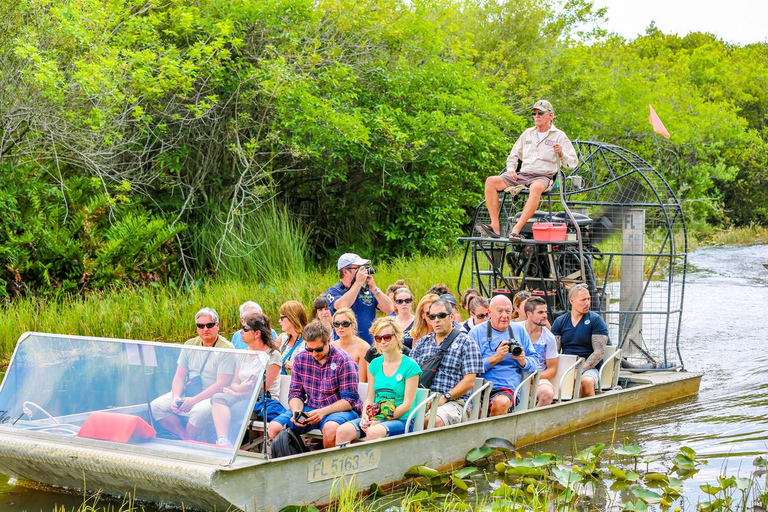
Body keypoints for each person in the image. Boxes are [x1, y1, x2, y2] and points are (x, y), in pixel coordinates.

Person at [480, 100, 578, 241]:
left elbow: (573, 163)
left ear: (551, 115)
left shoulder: (559, 135)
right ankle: (495, 226)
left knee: (536, 187)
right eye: (534, 113)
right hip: (523, 175)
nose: (537, 116)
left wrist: (562, 153)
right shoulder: (527, 133)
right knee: (491, 181)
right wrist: (511, 169)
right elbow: (513, 155)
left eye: (540, 113)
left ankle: (516, 230)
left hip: (543, 176)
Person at [268, 320, 360, 448]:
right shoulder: (301, 359)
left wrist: (322, 412)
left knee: (330, 428)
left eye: (318, 349)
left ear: (328, 341)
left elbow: (349, 400)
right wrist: (297, 412)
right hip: (311, 408)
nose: (314, 354)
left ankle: (327, 465)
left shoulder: (344, 360)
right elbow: (295, 393)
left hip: (338, 410)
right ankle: (296, 460)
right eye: (309, 349)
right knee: (274, 428)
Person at [150, 308, 235, 440]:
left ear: (217, 326)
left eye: (209, 325)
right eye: (201, 326)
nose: (205, 329)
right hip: (191, 389)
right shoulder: (190, 344)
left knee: (197, 411)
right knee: (156, 406)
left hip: (214, 395)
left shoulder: (226, 348)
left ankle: (189, 441)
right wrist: (176, 397)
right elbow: (179, 376)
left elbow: (221, 384)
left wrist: (194, 400)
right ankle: (185, 437)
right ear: (197, 328)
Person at [336, 317, 421, 444]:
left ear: (397, 337)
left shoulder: (410, 366)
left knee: (373, 432)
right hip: (377, 414)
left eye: (387, 337)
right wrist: (365, 416)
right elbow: (370, 397)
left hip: (401, 420)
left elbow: (407, 404)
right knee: (343, 431)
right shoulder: (375, 364)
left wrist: (381, 420)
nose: (382, 341)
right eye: (378, 338)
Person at [211, 312, 285, 446]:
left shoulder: (273, 356)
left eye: (245, 329)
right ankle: (223, 441)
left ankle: (236, 445)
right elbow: (234, 382)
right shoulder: (244, 353)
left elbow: (262, 388)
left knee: (232, 409)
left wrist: (237, 393)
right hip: (242, 396)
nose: (241, 332)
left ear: (257, 333)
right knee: (217, 398)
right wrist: (239, 389)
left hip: (261, 401)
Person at [410, 299, 484, 427]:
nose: (436, 320)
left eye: (441, 315)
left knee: (433, 420)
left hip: (454, 401)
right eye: (432, 316)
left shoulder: (466, 342)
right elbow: (409, 375)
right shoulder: (422, 342)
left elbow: (469, 381)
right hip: (422, 398)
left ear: (451, 317)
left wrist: (446, 397)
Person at [469, 295, 538, 417]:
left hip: (506, 387)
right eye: (500, 311)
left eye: (508, 311)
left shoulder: (519, 331)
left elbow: (535, 361)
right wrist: (495, 358)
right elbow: (468, 367)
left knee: (500, 403)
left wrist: (523, 361)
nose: (505, 316)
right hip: (478, 386)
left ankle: (493, 435)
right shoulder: (476, 332)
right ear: (489, 312)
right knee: (474, 408)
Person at [551, 284, 609, 398]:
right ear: (572, 300)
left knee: (586, 382)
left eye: (588, 299)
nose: (587, 303)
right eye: (583, 300)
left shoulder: (596, 320)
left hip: (589, 367)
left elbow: (599, 352)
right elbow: (554, 351)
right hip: (566, 365)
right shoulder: (560, 321)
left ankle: (589, 413)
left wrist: (580, 370)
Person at [326, 253, 395, 345]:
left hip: (370, 346)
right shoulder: (334, 291)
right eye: (359, 268)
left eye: (364, 268)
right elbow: (341, 306)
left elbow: (390, 308)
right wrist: (358, 283)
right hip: (346, 348)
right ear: (345, 272)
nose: (363, 271)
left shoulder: (367, 291)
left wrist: (374, 288)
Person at [520, 297, 559, 407]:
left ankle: (532, 419)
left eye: (545, 312)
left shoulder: (549, 338)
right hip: (514, 375)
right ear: (529, 314)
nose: (545, 316)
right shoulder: (516, 329)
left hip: (537, 377)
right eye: (540, 312)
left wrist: (533, 378)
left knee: (547, 393)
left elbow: (552, 369)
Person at [277, 300, 308, 375]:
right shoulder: (282, 338)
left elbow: (317, 367)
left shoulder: (309, 340)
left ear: (292, 318)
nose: (279, 321)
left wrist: (294, 365)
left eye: (282, 318)